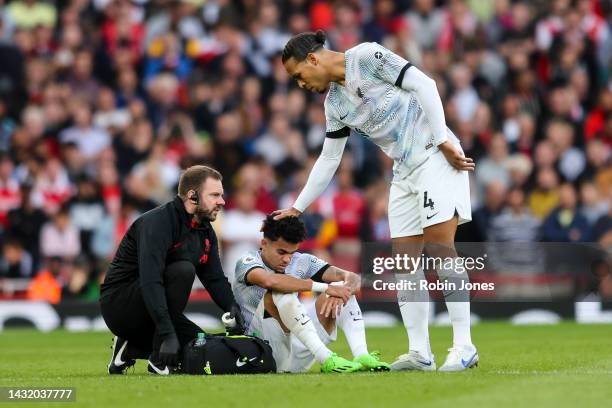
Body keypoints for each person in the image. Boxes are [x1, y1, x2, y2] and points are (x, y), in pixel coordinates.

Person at [275, 31, 477, 372]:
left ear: (313, 59)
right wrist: (297, 207)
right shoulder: (335, 104)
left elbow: (425, 84)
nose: (300, 84)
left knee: (442, 248)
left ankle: (464, 345)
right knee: (404, 263)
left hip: (436, 156)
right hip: (404, 171)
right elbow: (328, 159)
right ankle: (420, 352)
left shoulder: (367, 57)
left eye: (298, 75)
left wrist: (442, 140)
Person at [100, 165, 245, 375]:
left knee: (199, 345)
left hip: (156, 307)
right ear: (192, 196)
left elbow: (214, 279)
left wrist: (231, 306)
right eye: (215, 195)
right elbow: (151, 281)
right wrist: (167, 336)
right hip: (120, 305)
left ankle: (128, 348)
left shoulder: (205, 231)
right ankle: (157, 358)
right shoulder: (157, 223)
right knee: (183, 271)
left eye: (221, 195)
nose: (222, 201)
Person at [233, 215, 389, 373]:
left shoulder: (302, 261)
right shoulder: (247, 261)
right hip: (262, 353)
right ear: (264, 244)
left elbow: (353, 278)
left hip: (297, 353)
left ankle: (361, 355)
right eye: (281, 252)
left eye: (292, 253)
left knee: (341, 287)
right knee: (282, 292)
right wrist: (325, 288)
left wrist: (342, 289)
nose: (287, 259)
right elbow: (271, 281)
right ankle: (326, 359)